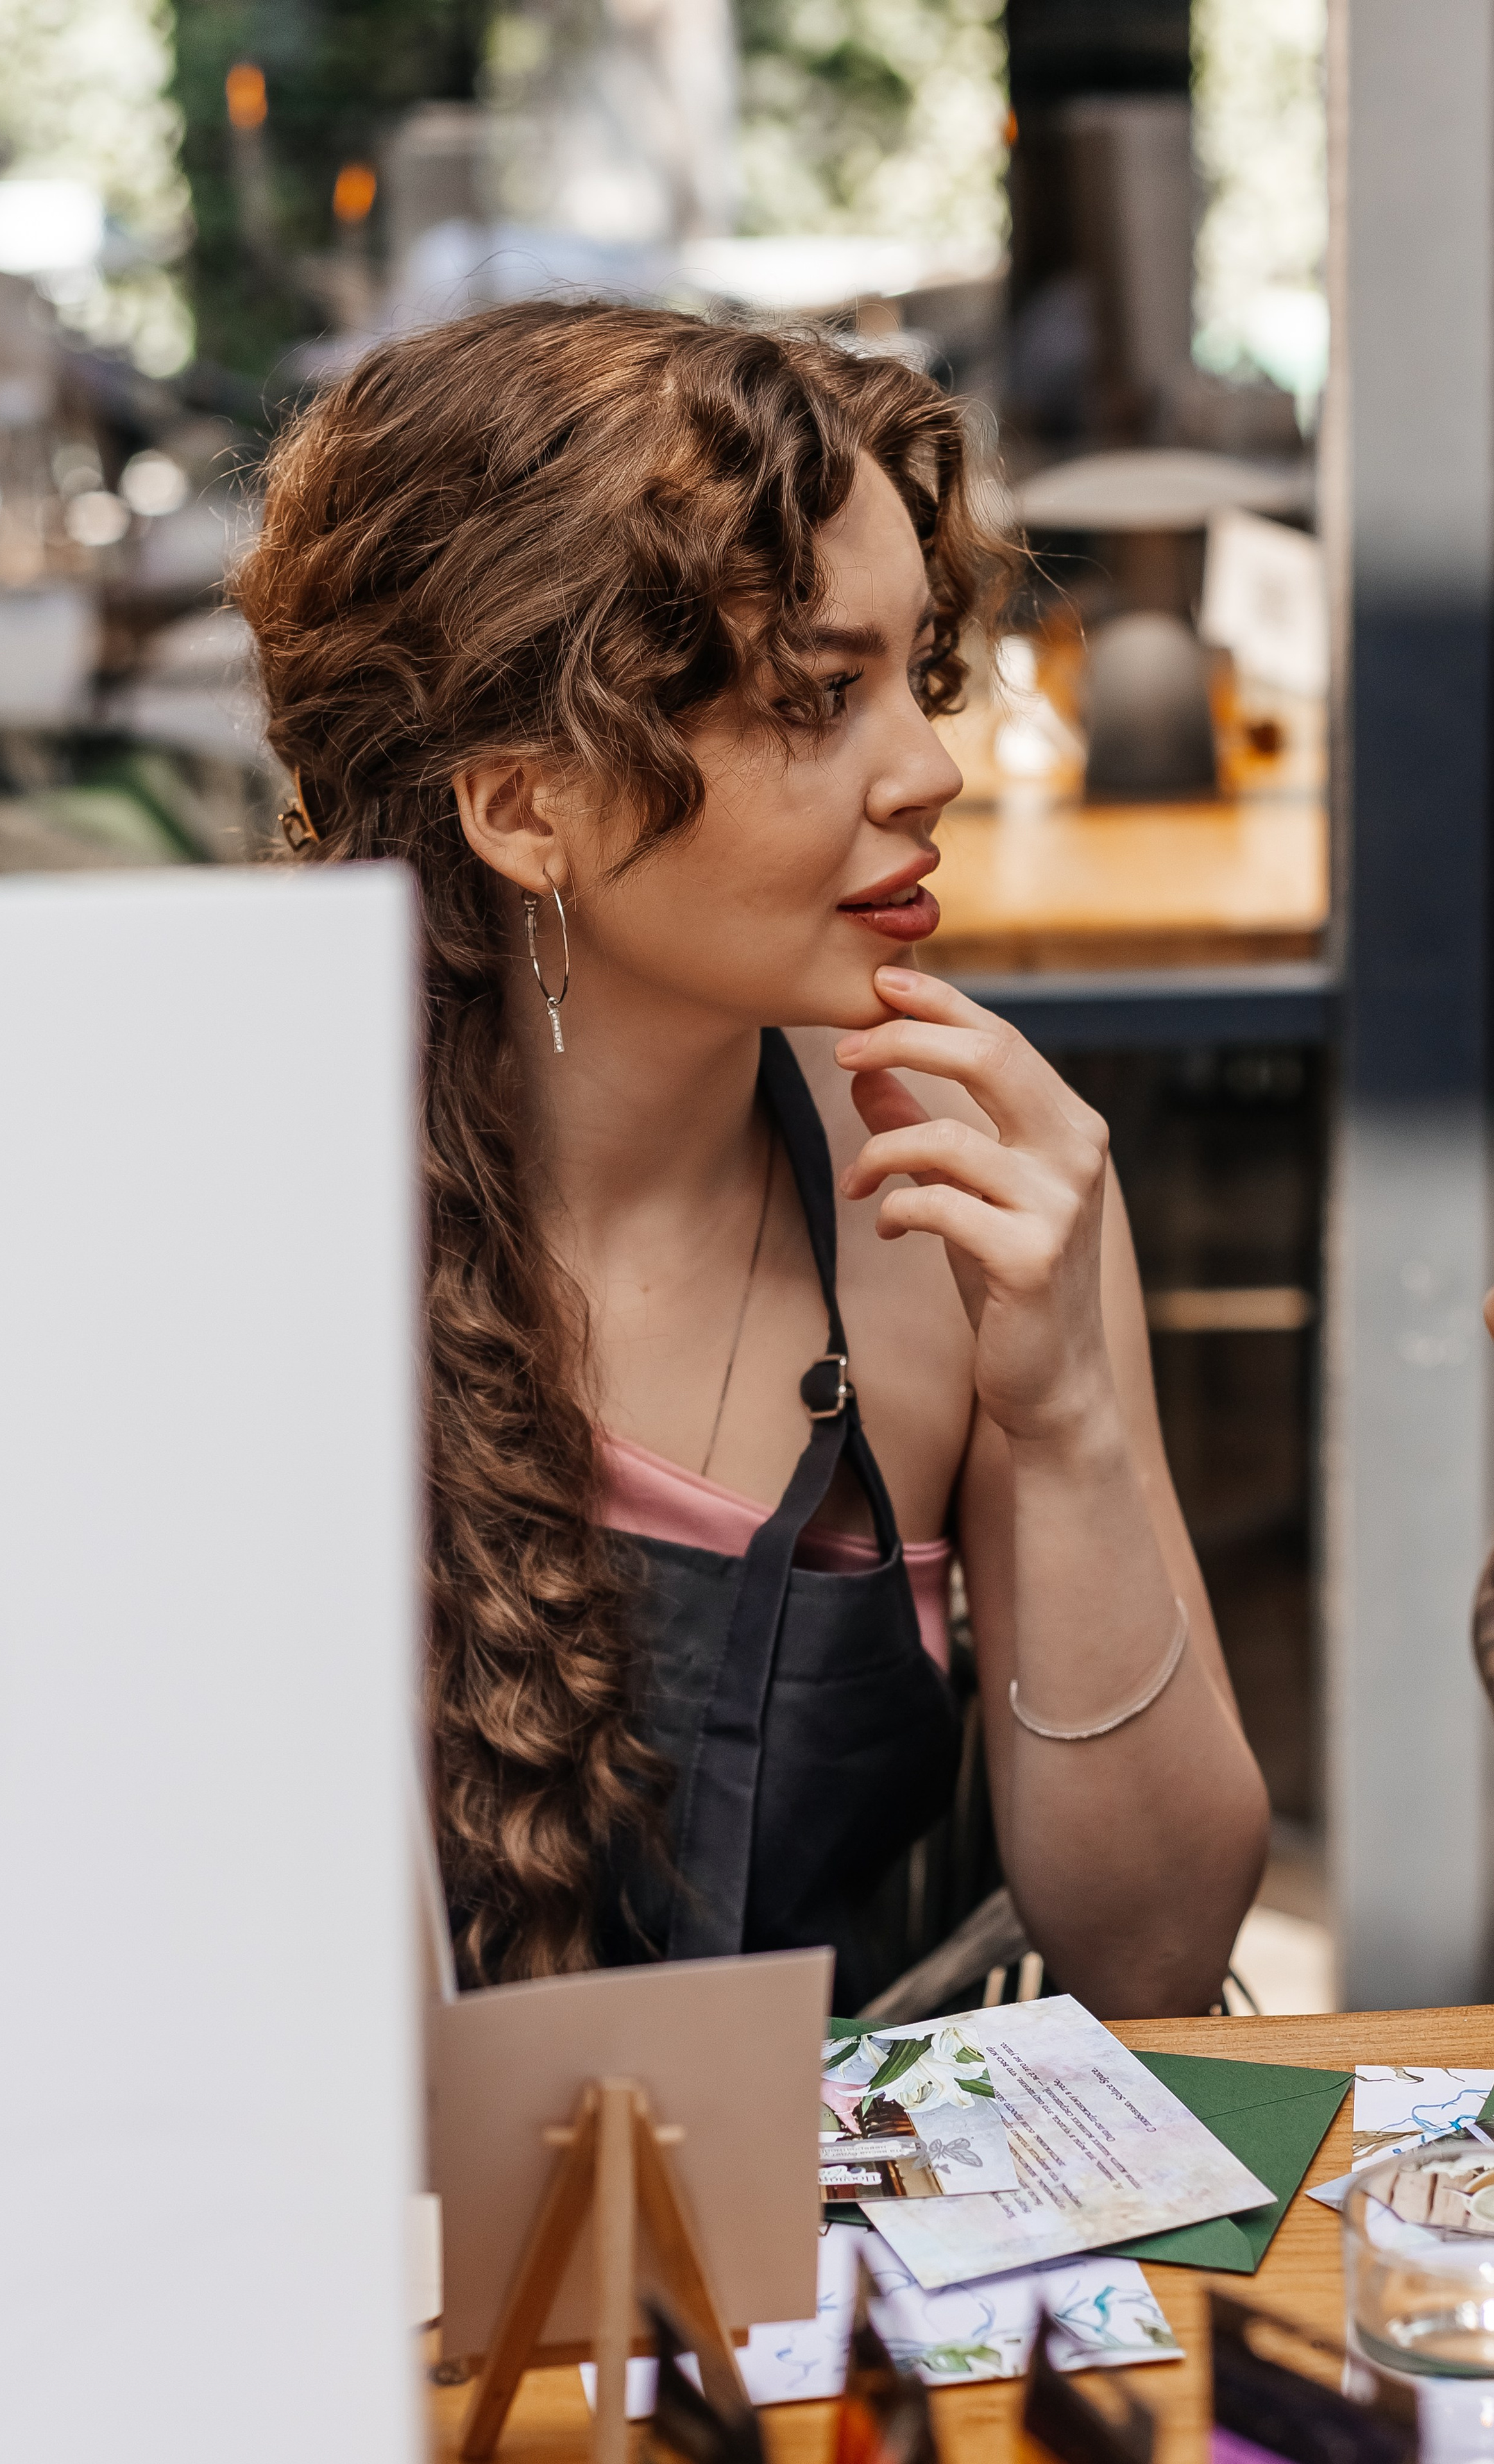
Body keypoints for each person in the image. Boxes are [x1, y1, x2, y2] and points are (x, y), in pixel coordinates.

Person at [237, 301, 1269, 2016]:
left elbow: (1156, 1953)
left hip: (825, 2260)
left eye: (916, 669)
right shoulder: (224, 1231)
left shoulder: (959, 1199)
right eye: (815, 696)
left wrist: (1067, 1420)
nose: (931, 769)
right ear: (523, 806)